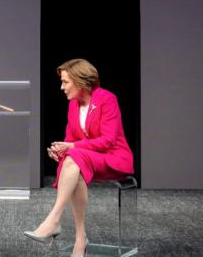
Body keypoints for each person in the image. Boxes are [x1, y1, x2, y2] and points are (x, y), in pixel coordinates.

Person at [24, 58, 134, 257]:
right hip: (87, 160)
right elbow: (70, 139)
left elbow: (108, 140)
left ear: (80, 80)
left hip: (114, 158)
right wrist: (60, 151)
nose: (61, 87)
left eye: (65, 82)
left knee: (74, 157)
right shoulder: (73, 105)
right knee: (75, 164)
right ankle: (80, 239)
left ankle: (53, 220)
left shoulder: (106, 98)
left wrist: (72, 147)